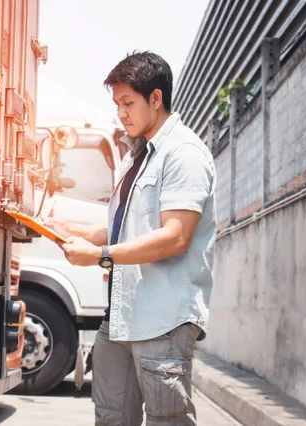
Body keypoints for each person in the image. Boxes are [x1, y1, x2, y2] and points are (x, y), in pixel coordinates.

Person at [48, 51, 217, 425]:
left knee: (166, 421)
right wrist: (68, 232)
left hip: (163, 322)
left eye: (128, 103)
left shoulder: (184, 154)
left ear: (155, 98)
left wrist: (100, 255)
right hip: (121, 318)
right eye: (117, 104)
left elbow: (175, 237)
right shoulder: (134, 156)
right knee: (110, 419)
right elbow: (123, 228)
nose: (121, 113)